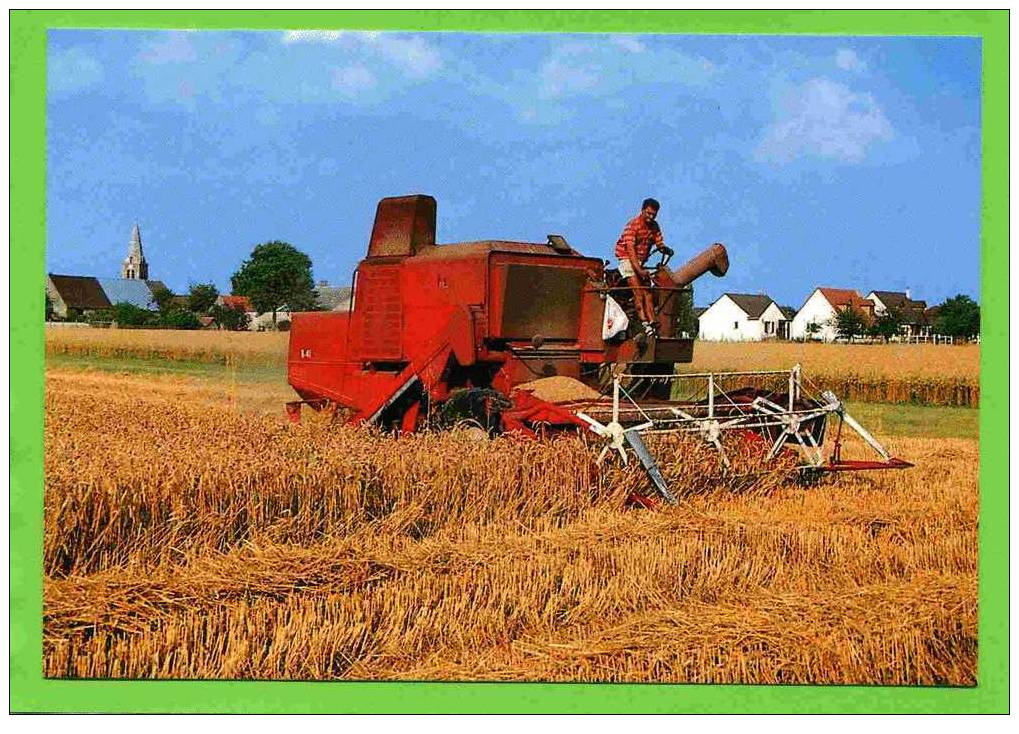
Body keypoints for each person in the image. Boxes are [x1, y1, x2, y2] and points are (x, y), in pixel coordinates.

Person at [615, 198, 674, 336]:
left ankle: (653, 322)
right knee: (638, 291)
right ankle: (644, 323)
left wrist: (664, 249)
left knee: (648, 293)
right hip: (627, 259)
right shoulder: (632, 226)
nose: (651, 217)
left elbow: (659, 242)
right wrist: (640, 270)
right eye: (648, 213)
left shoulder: (654, 227)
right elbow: (630, 251)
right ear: (642, 210)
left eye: (654, 214)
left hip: (641, 260)